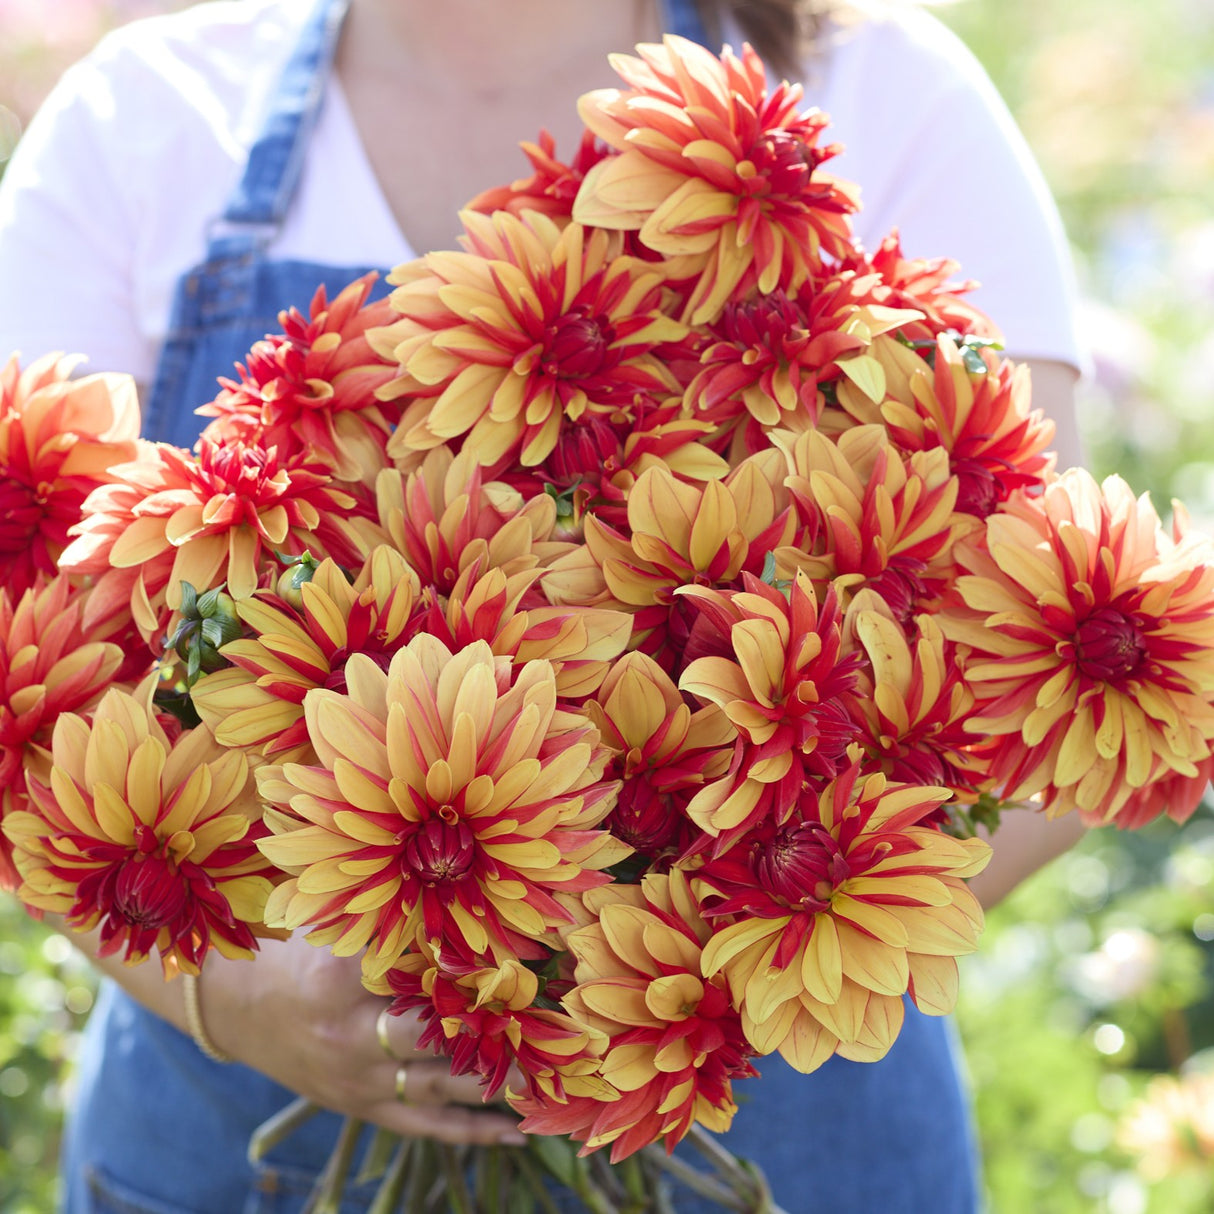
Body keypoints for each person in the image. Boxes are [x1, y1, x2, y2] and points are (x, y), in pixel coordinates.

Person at [0, 1, 1088, 1210]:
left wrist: (739, 952)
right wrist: (226, 994)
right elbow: (26, 725)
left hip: (768, 1092)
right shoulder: (143, 116)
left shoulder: (879, 91)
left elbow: (1043, 667)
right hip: (234, 1098)